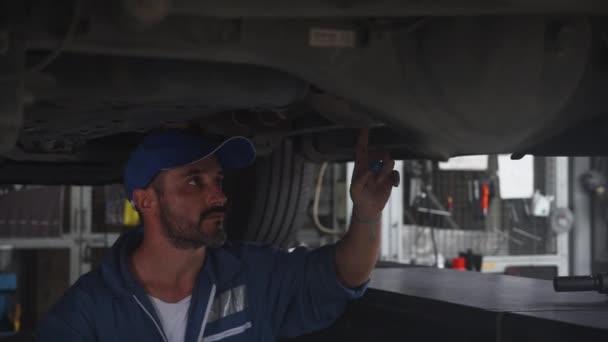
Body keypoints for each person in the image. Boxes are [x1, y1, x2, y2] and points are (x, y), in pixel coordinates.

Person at [37, 128, 397, 342]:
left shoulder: (253, 274)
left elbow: (343, 276)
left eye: (218, 180)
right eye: (195, 181)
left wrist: (367, 212)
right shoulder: (90, 309)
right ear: (146, 201)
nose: (219, 196)